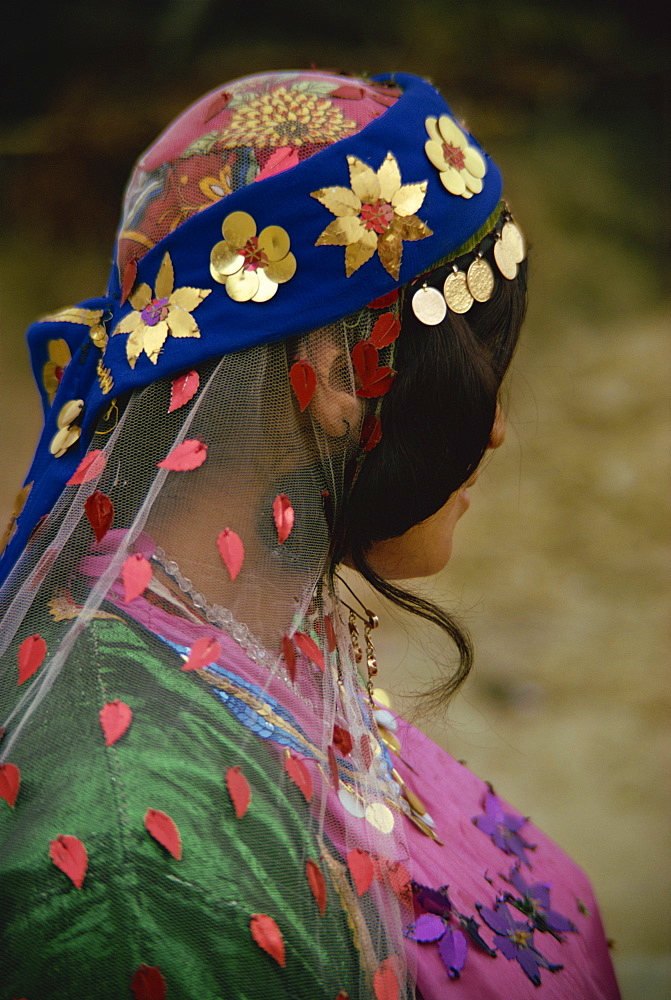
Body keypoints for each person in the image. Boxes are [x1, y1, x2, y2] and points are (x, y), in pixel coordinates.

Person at [0, 70, 620, 999]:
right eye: (476, 363)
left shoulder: (241, 614)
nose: (494, 427)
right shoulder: (136, 864)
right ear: (339, 375)